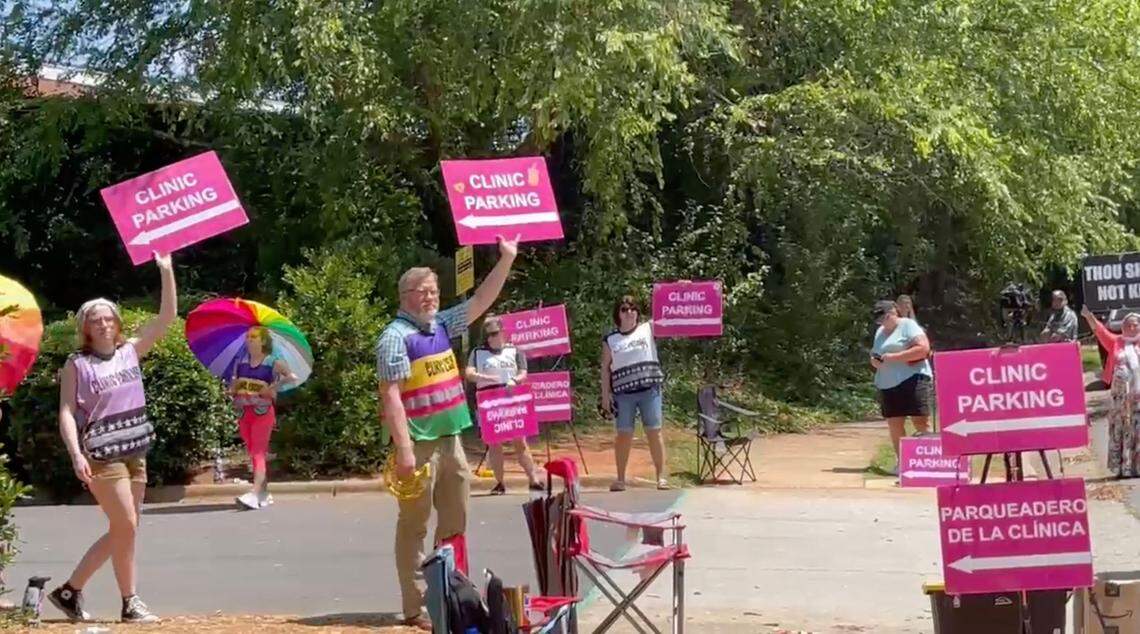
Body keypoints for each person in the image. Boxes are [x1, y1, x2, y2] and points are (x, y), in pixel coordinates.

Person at [376, 235, 519, 630]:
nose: (431, 297)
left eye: (434, 291)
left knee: (455, 520)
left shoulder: (441, 324)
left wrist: (506, 259)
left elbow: (479, 303)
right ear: (405, 296)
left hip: (451, 438)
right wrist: (404, 451)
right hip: (418, 445)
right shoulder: (394, 338)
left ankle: (450, 594)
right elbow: (390, 396)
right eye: (423, 292)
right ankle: (416, 607)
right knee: (414, 526)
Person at [49, 253, 176, 624]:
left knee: (125, 530)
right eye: (95, 320)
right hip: (102, 455)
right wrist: (75, 454)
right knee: (127, 525)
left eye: (108, 318)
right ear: (86, 328)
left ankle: (91, 596)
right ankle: (115, 596)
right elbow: (67, 412)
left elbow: (167, 317)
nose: (104, 324)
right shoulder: (78, 364)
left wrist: (166, 271)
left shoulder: (130, 352)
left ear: (117, 323)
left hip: (135, 449)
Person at [465, 316, 543, 495]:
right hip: (489, 400)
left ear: (502, 333)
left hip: (511, 399)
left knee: (520, 442)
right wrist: (483, 377)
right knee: (494, 444)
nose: (491, 338)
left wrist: (515, 380)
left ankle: (533, 479)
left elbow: (523, 372)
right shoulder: (478, 352)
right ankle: (499, 482)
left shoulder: (514, 350)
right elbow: (469, 373)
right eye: (487, 335)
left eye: (494, 334)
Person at [600, 295, 669, 492]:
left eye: (633, 308)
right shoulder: (611, 340)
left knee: (654, 432)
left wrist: (680, 288)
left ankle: (661, 477)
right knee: (624, 434)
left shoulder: (648, 328)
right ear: (618, 314)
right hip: (623, 394)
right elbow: (605, 368)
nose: (629, 312)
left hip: (650, 390)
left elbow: (670, 315)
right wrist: (605, 395)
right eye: (624, 309)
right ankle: (620, 479)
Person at [228, 326, 298, 510]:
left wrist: (273, 386)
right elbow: (233, 385)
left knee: (258, 452)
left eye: (254, 337)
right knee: (253, 451)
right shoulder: (241, 361)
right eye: (248, 337)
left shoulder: (273, 361)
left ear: (263, 341)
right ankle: (264, 494)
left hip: (262, 412)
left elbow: (292, 377)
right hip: (244, 412)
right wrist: (233, 389)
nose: (249, 340)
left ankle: (254, 493)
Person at [870, 300, 932, 473]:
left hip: (913, 377)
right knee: (894, 423)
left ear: (893, 313)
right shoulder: (880, 332)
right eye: (878, 319)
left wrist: (895, 357)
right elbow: (876, 352)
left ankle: (928, 461)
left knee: (920, 420)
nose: (882, 322)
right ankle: (903, 463)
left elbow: (923, 349)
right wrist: (875, 361)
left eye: (884, 317)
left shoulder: (908, 325)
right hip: (888, 381)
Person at [1083, 306, 1140, 477]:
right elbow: (1099, 331)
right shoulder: (1116, 342)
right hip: (1120, 397)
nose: (1132, 328)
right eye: (1128, 325)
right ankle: (1123, 467)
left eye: (1135, 325)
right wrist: (1089, 316)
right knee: (1121, 428)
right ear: (1122, 327)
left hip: (1138, 395)